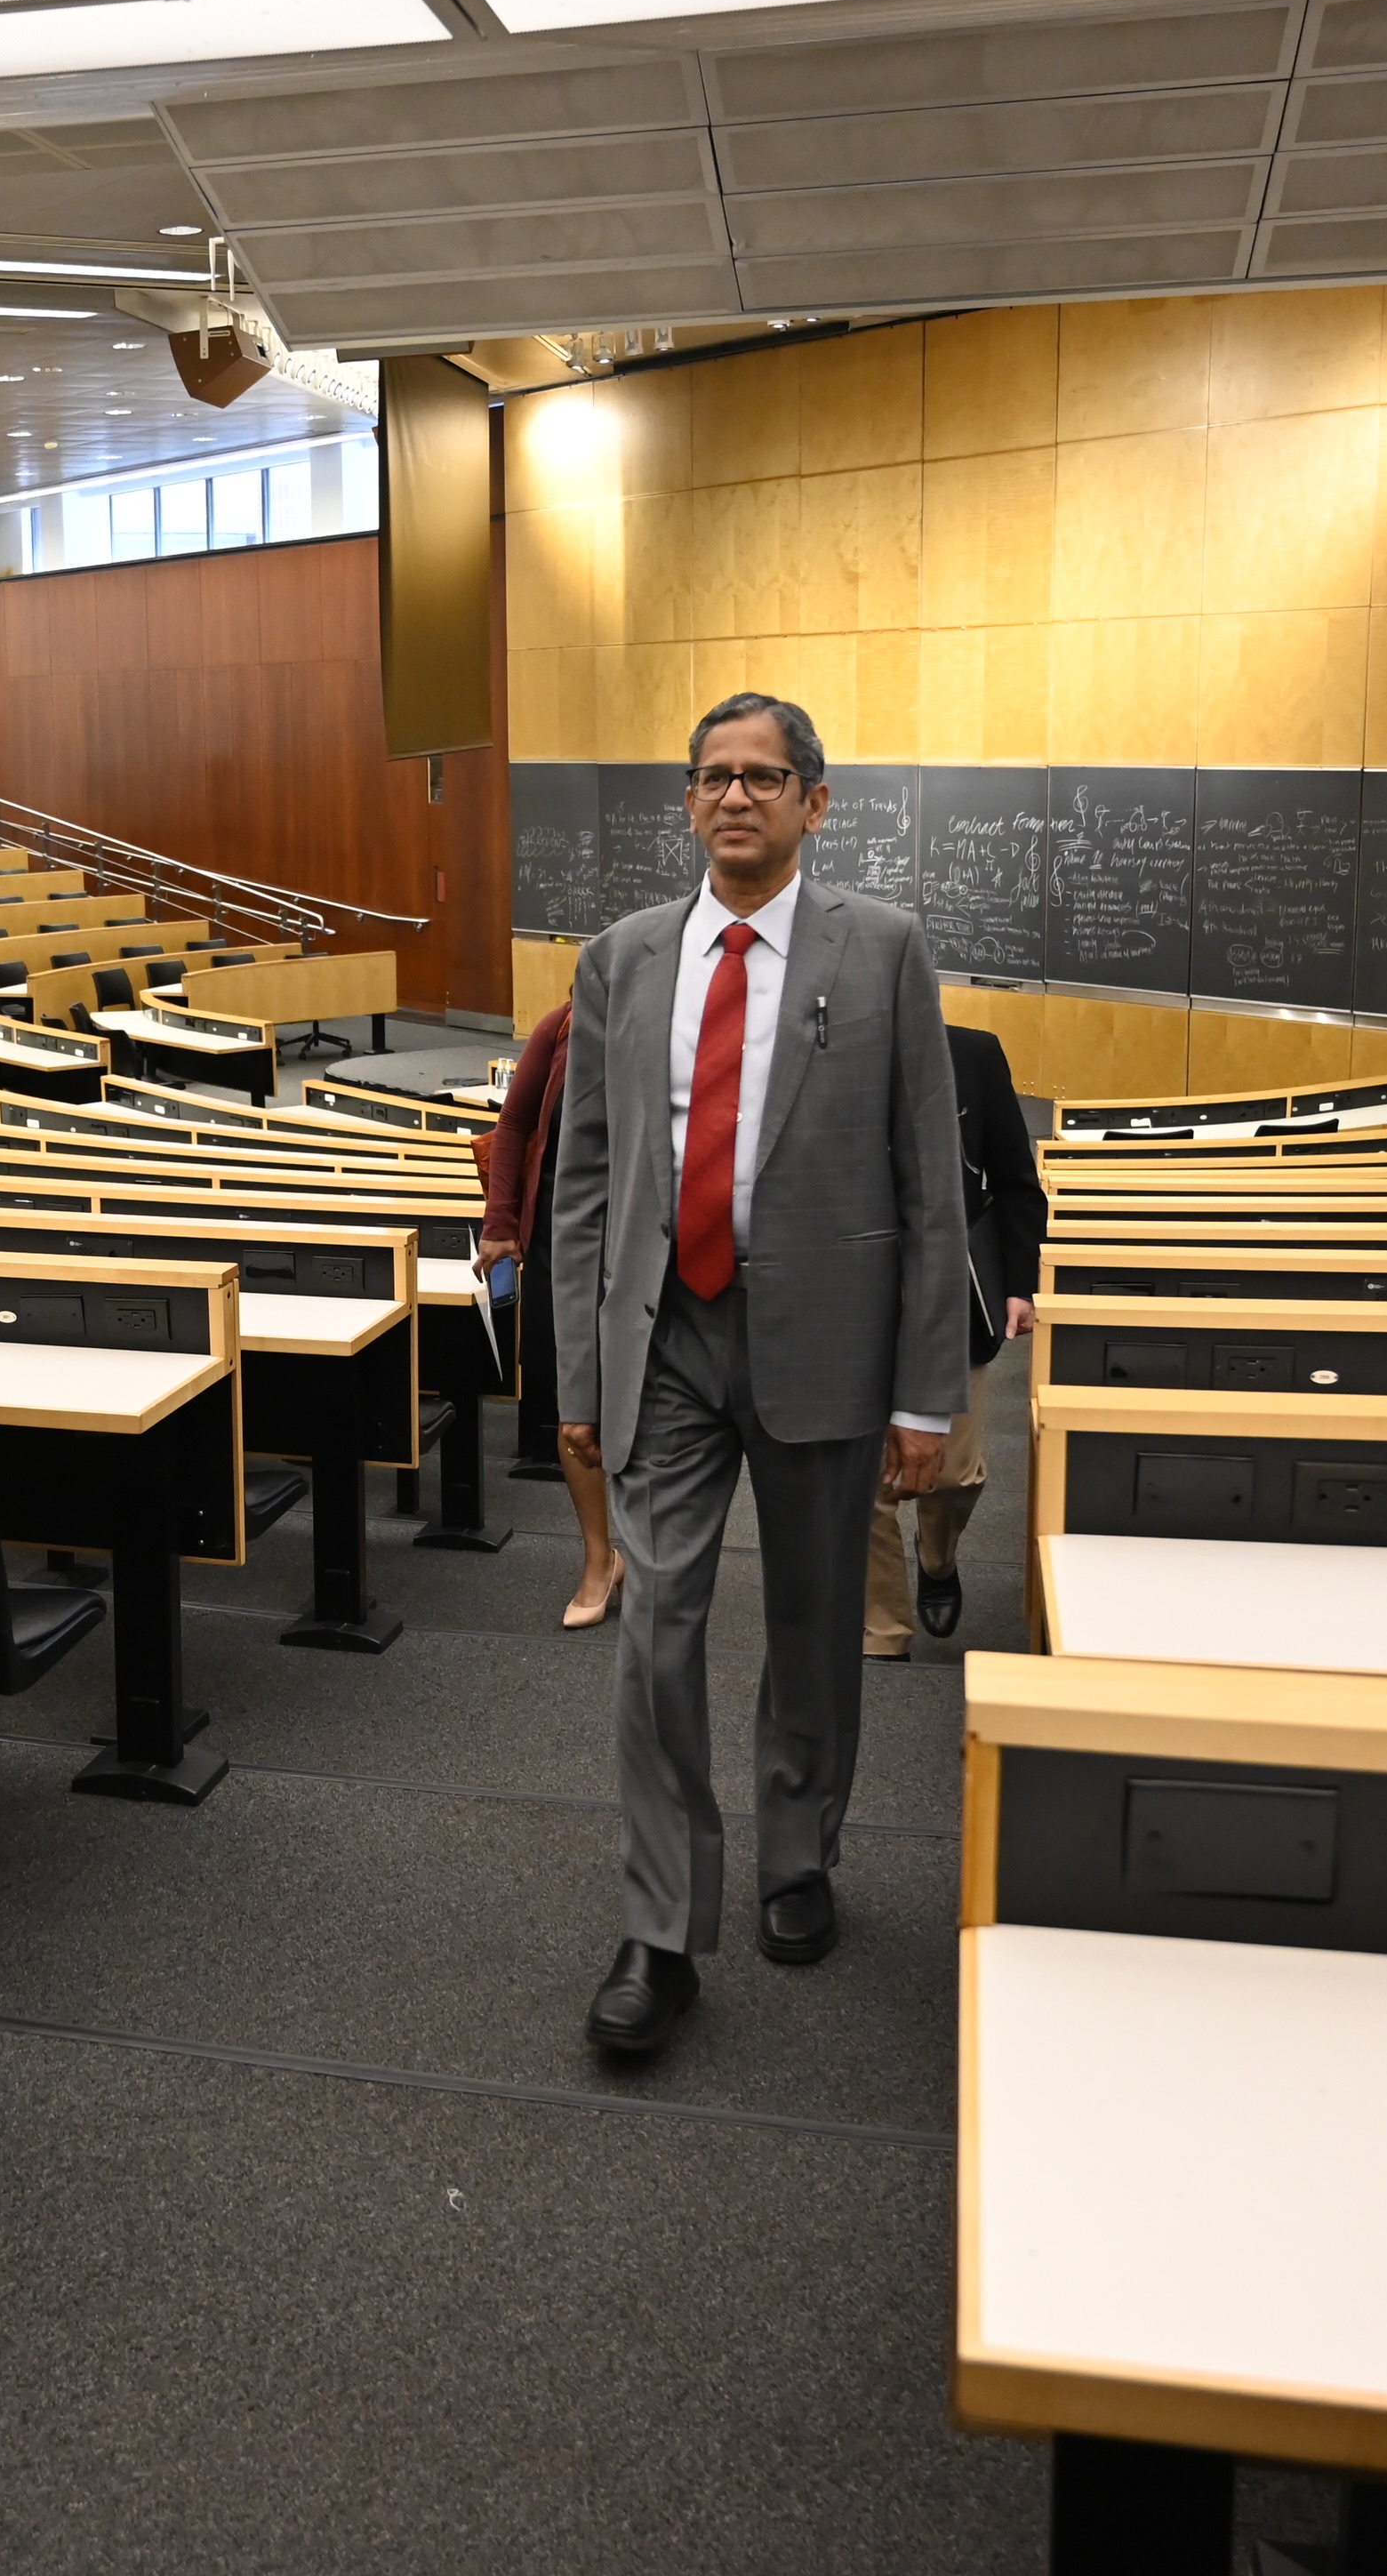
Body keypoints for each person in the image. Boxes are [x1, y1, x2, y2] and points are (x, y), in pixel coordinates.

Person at [551, 692, 968, 2058]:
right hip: (665, 1339)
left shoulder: (885, 951)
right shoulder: (618, 958)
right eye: (714, 778)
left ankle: (799, 1856)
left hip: (826, 1350)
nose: (736, 797)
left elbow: (925, 1186)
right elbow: (586, 1182)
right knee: (652, 1627)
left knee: (809, 1628)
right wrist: (577, 1374)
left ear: (812, 803)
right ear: (688, 801)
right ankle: (660, 1928)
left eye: (765, 777)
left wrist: (926, 1392)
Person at [864, 1024, 1049, 1654]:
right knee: (865, 1481)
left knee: (955, 1475)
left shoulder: (971, 1053)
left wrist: (1019, 1284)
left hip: (953, 1291)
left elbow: (1017, 1180)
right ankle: (883, 1627)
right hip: (853, 1289)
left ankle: (936, 1558)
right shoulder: (819, 1043)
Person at [475, 994, 621, 1629]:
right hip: (562, 1236)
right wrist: (500, 1223)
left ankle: (647, 1549)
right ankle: (599, 1556)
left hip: (653, 1239)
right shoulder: (563, 1023)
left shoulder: (686, 1023)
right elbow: (513, 1126)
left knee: (652, 1403)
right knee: (575, 1407)